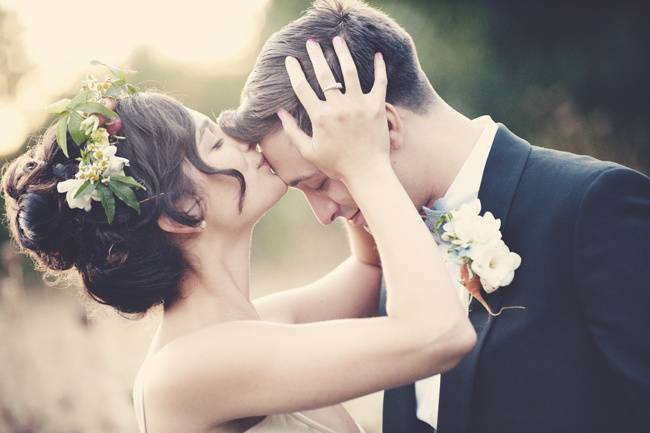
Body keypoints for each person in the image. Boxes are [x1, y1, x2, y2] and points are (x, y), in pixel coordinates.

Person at [218, 1, 650, 432]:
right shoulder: (396, 241)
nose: (323, 214)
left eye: (320, 182)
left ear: (385, 128)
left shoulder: (592, 205)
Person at [1, 44, 475, 433]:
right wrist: (363, 163)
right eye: (213, 141)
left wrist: (334, 153)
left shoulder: (253, 326)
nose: (241, 137)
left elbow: (371, 272)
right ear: (182, 211)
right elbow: (438, 334)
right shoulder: (189, 369)